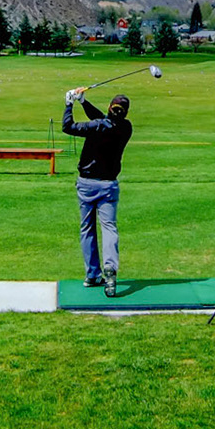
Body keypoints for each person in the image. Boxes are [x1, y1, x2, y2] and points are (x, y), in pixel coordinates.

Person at [63, 86, 133, 296]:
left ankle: (92, 275)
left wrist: (69, 103)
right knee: (109, 228)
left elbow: (68, 127)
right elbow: (104, 120)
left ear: (110, 107)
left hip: (86, 185)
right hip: (108, 186)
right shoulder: (126, 127)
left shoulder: (96, 126)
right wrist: (83, 102)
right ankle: (110, 268)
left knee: (87, 228)